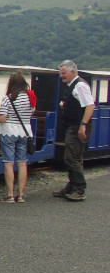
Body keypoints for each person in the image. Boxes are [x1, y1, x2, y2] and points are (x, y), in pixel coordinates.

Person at [53, 60, 94, 201]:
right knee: (72, 157)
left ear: (72, 72)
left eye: (63, 73)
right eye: (60, 73)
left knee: (72, 158)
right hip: (74, 125)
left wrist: (83, 125)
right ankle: (72, 187)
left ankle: (79, 189)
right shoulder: (72, 86)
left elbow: (90, 106)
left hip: (78, 126)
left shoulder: (80, 85)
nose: (61, 76)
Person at [0, 71, 33, 203]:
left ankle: (10, 195)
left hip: (9, 131)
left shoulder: (8, 98)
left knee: (9, 163)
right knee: (22, 163)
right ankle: (20, 195)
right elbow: (31, 113)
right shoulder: (30, 98)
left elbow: (3, 119)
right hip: (24, 132)